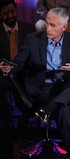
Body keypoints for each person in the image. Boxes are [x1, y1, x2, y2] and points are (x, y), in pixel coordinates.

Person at [0, 7, 70, 159]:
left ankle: (47, 111)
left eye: (53, 25)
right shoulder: (33, 39)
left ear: (64, 27)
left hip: (63, 87)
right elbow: (19, 61)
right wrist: (8, 68)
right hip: (42, 88)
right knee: (62, 111)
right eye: (47, 24)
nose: (48, 28)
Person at [0, 0, 35, 128]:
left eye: (12, 12)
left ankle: (27, 120)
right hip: (4, 73)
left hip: (24, 71)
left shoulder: (29, 29)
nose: (10, 16)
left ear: (17, 11)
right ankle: (6, 122)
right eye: (5, 13)